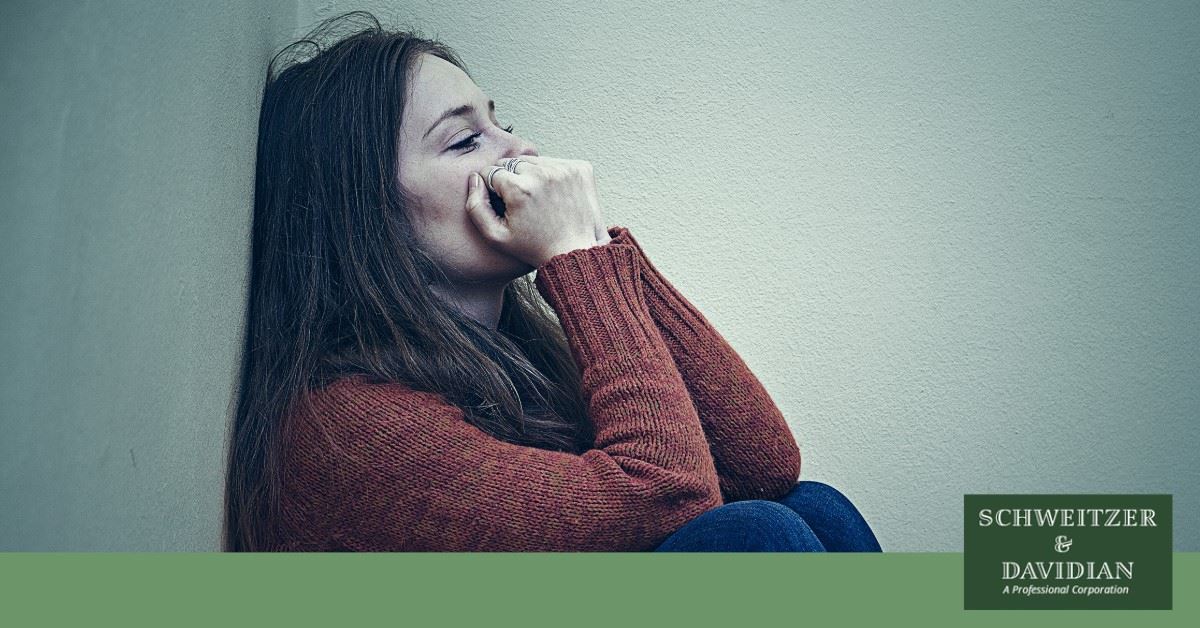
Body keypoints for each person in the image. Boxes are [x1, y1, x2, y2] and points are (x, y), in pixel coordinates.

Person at [223, 10, 882, 553]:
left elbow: (762, 466)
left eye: (500, 125)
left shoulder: (517, 362)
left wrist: (594, 247)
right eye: (463, 141)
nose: (522, 153)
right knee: (757, 538)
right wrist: (576, 259)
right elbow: (675, 501)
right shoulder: (349, 429)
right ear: (367, 212)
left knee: (812, 508)